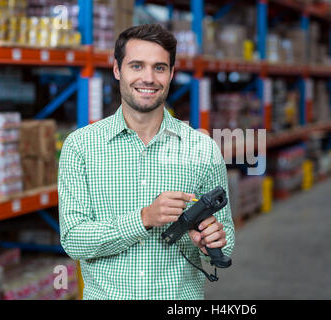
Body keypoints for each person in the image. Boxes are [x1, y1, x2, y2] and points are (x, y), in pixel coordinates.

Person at [58, 24, 235, 300]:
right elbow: (74, 240)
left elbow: (227, 239)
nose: (149, 78)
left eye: (160, 68)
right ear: (117, 70)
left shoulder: (202, 149)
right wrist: (144, 218)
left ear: (172, 74)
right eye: (137, 66)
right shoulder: (81, 147)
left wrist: (211, 240)